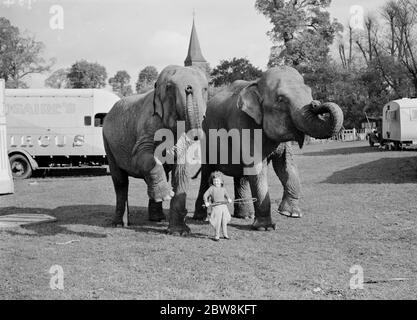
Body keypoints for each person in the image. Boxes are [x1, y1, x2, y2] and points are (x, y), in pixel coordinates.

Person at [203, 172, 233, 241]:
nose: (216, 182)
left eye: (217, 181)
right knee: (217, 221)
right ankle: (217, 236)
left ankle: (225, 234)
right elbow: (205, 195)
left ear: (221, 181)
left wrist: (229, 199)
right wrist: (206, 202)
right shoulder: (211, 188)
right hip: (216, 207)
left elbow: (227, 195)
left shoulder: (223, 189)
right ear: (212, 181)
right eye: (214, 181)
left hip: (223, 207)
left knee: (224, 221)